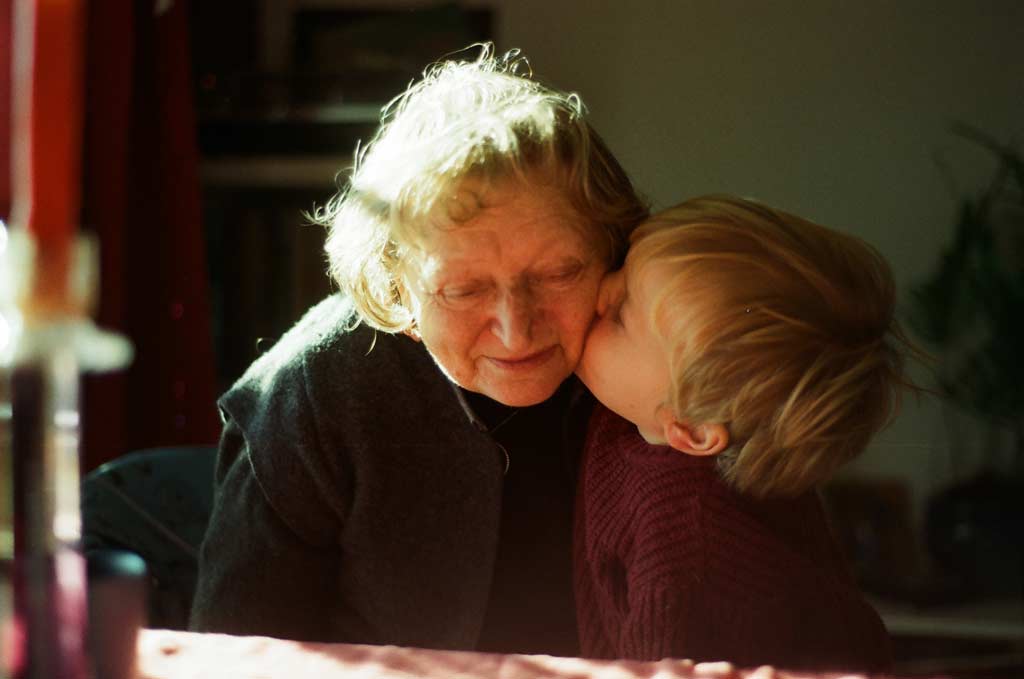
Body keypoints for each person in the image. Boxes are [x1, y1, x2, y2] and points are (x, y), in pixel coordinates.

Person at [189, 43, 648, 656]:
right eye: (462, 289)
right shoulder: (307, 395)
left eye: (559, 274)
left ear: (612, 253)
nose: (517, 330)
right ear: (394, 287)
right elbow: (233, 662)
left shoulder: (663, 354)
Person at [574, 195, 917, 671]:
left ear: (691, 430)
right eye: (623, 270)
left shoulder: (685, 552)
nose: (599, 292)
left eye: (620, 316)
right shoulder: (648, 410)